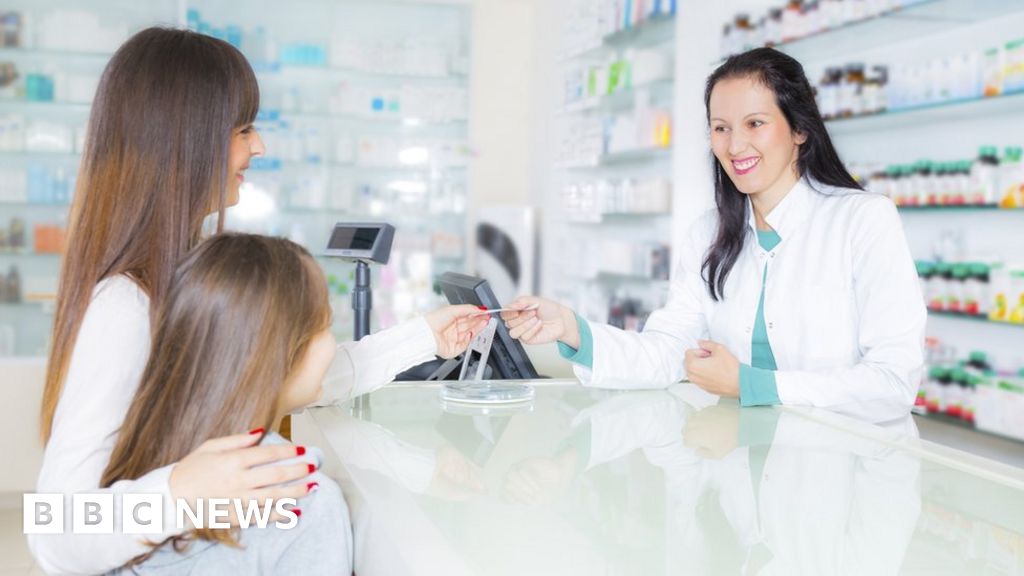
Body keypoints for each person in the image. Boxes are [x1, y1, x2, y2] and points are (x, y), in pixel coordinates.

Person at [32, 27, 486, 575]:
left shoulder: (186, 271)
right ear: (184, 140)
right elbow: (56, 531)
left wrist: (424, 338)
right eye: (243, 128)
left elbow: (282, 373)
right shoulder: (125, 306)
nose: (259, 146)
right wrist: (182, 490)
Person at [501, 47, 926, 419]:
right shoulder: (710, 233)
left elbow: (892, 382)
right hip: (744, 463)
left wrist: (751, 385)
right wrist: (572, 329)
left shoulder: (863, 220)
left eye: (755, 123)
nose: (734, 145)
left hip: (849, 469)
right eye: (721, 127)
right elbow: (669, 352)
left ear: (799, 129)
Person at [102, 233, 352, 574]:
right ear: (275, 353)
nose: (333, 344)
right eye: (325, 325)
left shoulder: (132, 462)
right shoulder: (305, 501)